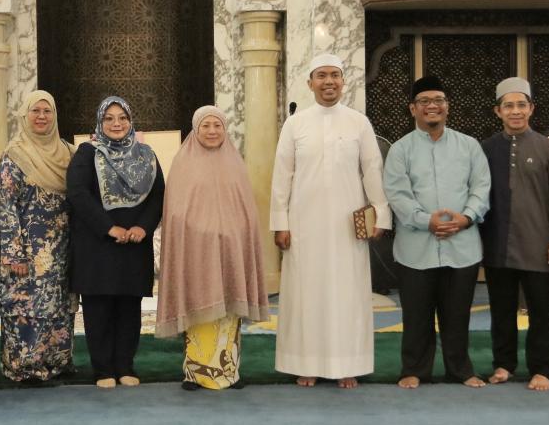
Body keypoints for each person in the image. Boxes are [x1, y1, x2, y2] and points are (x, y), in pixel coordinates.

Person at [269, 54, 389, 388]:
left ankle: (347, 365)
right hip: (303, 225)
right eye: (321, 75)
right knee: (305, 294)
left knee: (346, 294)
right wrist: (280, 223)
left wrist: (381, 214)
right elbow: (282, 176)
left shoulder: (358, 122)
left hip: (347, 227)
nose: (329, 82)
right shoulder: (295, 124)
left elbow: (373, 170)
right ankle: (305, 363)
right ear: (310, 83)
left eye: (335, 75)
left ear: (343, 81)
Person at [383, 76, 490, 389]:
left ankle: (461, 370)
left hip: (462, 244)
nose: (433, 106)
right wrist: (425, 220)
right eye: (425, 101)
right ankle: (414, 370)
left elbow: (481, 186)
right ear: (413, 109)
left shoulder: (469, 146)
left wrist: (466, 218)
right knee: (417, 315)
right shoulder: (400, 150)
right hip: (416, 246)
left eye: (439, 100)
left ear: (447, 106)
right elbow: (397, 193)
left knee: (457, 314)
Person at [155, 106, 269, 391]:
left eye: (217, 126)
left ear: (224, 129)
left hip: (231, 248)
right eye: (205, 126)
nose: (212, 131)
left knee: (228, 309)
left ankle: (229, 373)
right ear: (196, 129)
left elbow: (246, 210)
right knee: (198, 301)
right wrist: (201, 230)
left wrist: (234, 231)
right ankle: (194, 373)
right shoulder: (183, 162)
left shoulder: (235, 162)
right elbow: (176, 211)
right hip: (196, 249)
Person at [66, 96, 164, 388]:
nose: (116, 123)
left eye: (122, 117)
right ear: (100, 122)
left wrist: (143, 227)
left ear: (131, 121)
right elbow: (78, 194)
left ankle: (125, 365)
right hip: (97, 246)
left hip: (134, 245)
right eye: (109, 118)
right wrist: (109, 228)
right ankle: (103, 369)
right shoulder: (87, 154)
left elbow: (159, 195)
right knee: (99, 310)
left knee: (129, 309)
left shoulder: (146, 155)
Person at [480, 77, 549, 392]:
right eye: (509, 106)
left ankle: (542, 368)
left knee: (542, 311)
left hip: (538, 245)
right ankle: (504, 365)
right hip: (497, 244)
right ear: (498, 111)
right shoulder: (485, 149)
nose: (515, 111)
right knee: (501, 309)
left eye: (521, 105)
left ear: (532, 108)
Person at [0, 90, 76, 384]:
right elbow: (6, 205)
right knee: (27, 307)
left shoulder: (69, 153)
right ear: (25, 115)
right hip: (28, 250)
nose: (41, 117)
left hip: (62, 247)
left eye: (47, 111)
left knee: (58, 305)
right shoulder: (14, 155)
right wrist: (13, 252)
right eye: (35, 111)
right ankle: (25, 367)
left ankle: (56, 363)